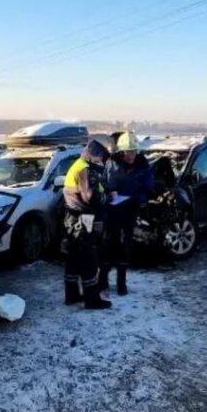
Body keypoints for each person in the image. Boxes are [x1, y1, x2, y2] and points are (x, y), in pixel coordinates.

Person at [101, 132, 154, 296]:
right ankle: (103, 281)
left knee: (125, 248)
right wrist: (109, 193)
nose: (131, 155)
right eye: (128, 152)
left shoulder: (143, 166)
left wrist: (138, 198)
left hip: (129, 211)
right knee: (108, 247)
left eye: (134, 151)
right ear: (121, 152)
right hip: (111, 212)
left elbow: (148, 187)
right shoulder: (112, 164)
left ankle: (121, 283)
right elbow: (104, 183)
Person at [63, 139, 112, 309]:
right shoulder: (84, 169)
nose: (100, 164)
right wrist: (107, 198)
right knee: (89, 258)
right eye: (98, 160)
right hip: (84, 219)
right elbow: (89, 196)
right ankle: (92, 300)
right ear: (92, 157)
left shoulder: (77, 164)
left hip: (72, 217)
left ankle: (72, 295)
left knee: (74, 258)